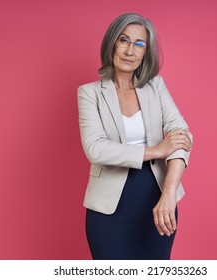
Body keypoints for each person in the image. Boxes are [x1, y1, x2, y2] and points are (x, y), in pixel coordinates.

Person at [77, 13, 193, 260]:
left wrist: (170, 192)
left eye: (139, 44)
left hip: (158, 202)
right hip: (108, 209)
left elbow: (182, 137)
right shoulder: (89, 94)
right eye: (124, 40)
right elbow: (96, 149)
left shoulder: (156, 87)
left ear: (145, 52)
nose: (130, 50)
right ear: (112, 44)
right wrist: (157, 150)